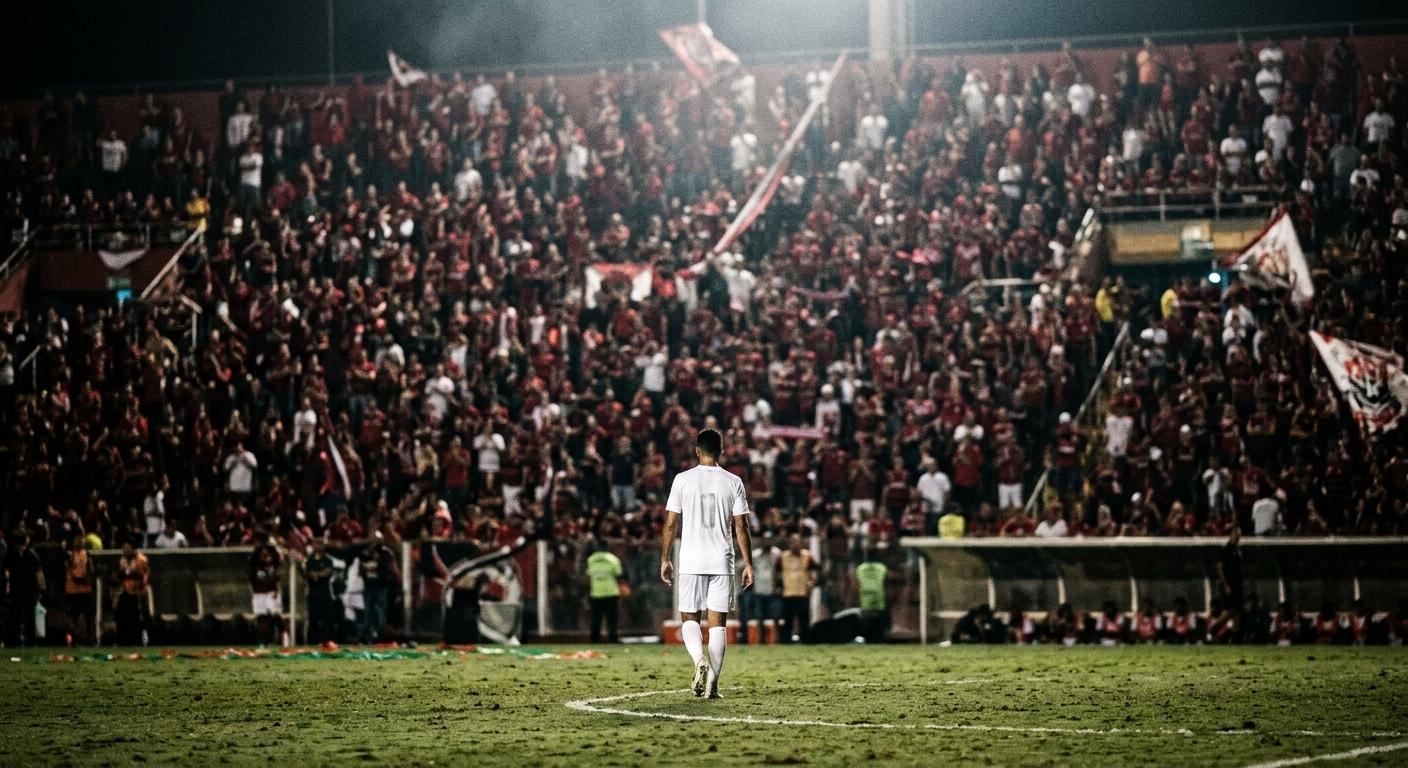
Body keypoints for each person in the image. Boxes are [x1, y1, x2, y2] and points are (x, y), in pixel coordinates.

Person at [659, 428, 754, 698]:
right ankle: (712, 686)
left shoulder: (682, 480)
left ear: (697, 451)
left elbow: (670, 523)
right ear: (722, 451)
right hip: (721, 560)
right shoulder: (733, 481)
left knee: (689, 617)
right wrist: (748, 563)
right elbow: (741, 525)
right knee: (718, 625)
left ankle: (698, 661)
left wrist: (665, 559)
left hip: (691, 559)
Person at [357, 532, 399, 643]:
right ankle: (366, 638)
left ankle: (381, 638)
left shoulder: (386, 553)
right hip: (369, 586)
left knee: (381, 613)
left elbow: (393, 569)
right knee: (367, 614)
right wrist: (368, 568)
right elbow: (360, 570)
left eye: (377, 540)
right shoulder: (365, 553)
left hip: (381, 587)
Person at [5, 532, 45, 646]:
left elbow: (7, 573)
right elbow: (39, 573)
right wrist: (41, 587)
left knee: (16, 615)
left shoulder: (11, 555)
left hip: (17, 588)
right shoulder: (31, 555)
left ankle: (15, 640)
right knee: (28, 616)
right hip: (29, 589)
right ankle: (30, 640)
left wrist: (7, 587)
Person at [778, 533, 816, 644]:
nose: (795, 545)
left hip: (802, 592)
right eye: (793, 542)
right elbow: (777, 572)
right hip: (788, 592)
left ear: (801, 543)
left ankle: (806, 642)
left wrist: (811, 585)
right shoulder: (783, 557)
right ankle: (786, 642)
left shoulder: (807, 556)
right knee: (787, 620)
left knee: (804, 620)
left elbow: (814, 572)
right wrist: (779, 586)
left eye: (797, 542)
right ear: (789, 543)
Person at [586, 542, 625, 643]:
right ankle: (613, 638)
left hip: (596, 593)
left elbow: (589, 575)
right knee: (612, 619)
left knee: (596, 618)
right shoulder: (613, 559)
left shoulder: (591, 559)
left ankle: (594, 639)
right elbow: (619, 575)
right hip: (611, 592)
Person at [249, 532, 283, 645]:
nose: (266, 557)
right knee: (261, 618)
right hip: (259, 593)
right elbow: (254, 578)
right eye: (263, 555)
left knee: (275, 616)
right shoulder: (254, 563)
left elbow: (279, 566)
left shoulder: (274, 560)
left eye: (267, 555)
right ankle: (262, 642)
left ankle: (283, 639)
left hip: (270, 592)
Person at [114, 540, 150, 646]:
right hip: (126, 591)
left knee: (139, 618)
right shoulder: (122, 559)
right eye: (124, 547)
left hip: (138, 592)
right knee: (121, 616)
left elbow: (144, 576)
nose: (125, 550)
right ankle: (123, 640)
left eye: (127, 547)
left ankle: (143, 640)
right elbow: (120, 575)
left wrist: (130, 574)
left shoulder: (141, 559)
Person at [304, 539, 339, 644]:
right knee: (313, 619)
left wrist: (315, 575)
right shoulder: (310, 560)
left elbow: (327, 573)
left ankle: (328, 641)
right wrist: (318, 574)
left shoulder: (328, 560)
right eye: (316, 544)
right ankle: (312, 642)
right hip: (313, 594)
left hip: (325, 593)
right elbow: (307, 574)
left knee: (327, 618)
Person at [64, 536, 96, 646]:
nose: (78, 542)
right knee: (74, 617)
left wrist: (87, 579)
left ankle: (90, 639)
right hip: (72, 590)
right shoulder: (70, 555)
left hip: (85, 590)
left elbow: (91, 569)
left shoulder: (86, 554)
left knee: (88, 616)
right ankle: (74, 640)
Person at [853, 553, 889, 643]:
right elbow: (887, 582)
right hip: (880, 604)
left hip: (865, 604)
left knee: (866, 631)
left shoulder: (860, 568)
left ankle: (865, 640)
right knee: (879, 633)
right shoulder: (881, 568)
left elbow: (855, 586)